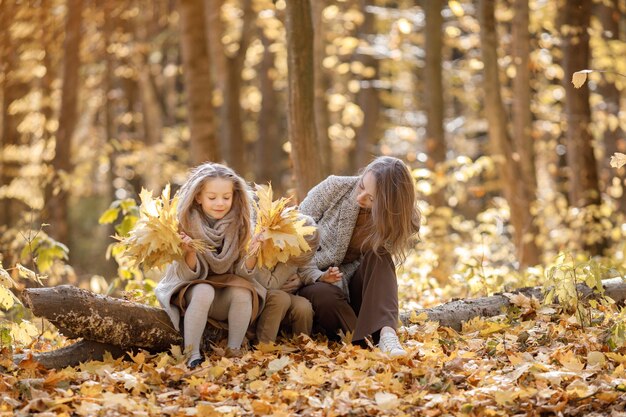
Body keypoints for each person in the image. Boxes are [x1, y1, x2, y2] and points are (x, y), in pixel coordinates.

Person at [298, 156, 420, 357]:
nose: (360, 197)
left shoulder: (395, 222)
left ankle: (387, 335)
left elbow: (375, 274)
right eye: (361, 186)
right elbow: (292, 229)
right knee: (324, 294)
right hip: (313, 279)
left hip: (354, 289)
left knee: (380, 256)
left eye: (371, 198)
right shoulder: (334, 188)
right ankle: (367, 344)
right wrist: (317, 274)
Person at [155, 162, 266, 369]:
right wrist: (189, 253)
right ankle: (192, 354)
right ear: (198, 197)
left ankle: (233, 352)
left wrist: (252, 252)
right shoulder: (183, 223)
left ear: (235, 196)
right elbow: (184, 276)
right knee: (204, 290)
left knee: (242, 292)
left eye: (226, 197)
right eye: (212, 197)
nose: (220, 203)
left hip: (223, 293)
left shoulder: (241, 225)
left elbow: (244, 275)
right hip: (188, 290)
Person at [253, 214, 319, 343]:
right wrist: (290, 263)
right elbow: (270, 285)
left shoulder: (295, 256)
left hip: (281, 294)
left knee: (303, 306)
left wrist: (320, 276)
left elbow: (307, 270)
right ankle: (264, 346)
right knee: (280, 298)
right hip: (259, 293)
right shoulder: (264, 246)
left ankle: (304, 347)